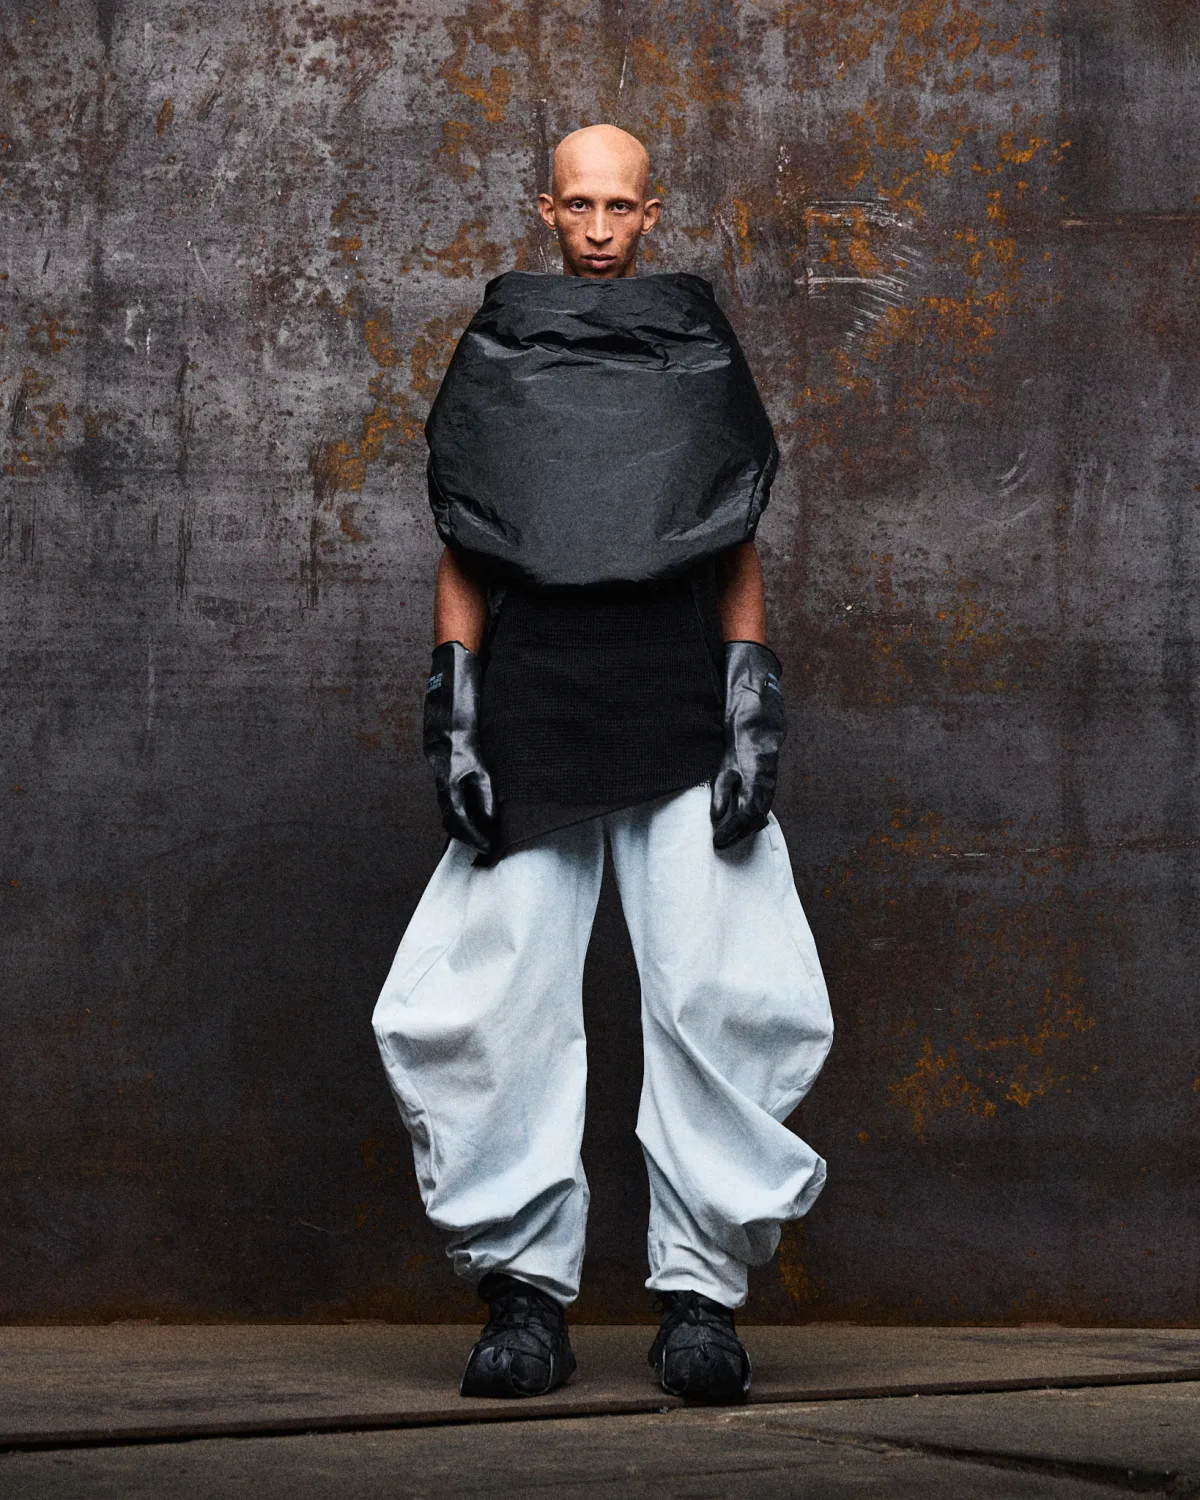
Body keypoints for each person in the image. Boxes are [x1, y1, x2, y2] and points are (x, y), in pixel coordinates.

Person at [372, 124, 833, 1406]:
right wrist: (455, 701)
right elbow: (468, 540)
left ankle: (701, 1303)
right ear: (545, 211)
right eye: (577, 204)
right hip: (536, 710)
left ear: (650, 214)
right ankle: (523, 1297)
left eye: (618, 206)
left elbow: (728, 535)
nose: (596, 227)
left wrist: (750, 695)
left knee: (724, 1000)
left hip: (675, 708)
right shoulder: (501, 348)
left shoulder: (694, 347)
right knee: (488, 1008)